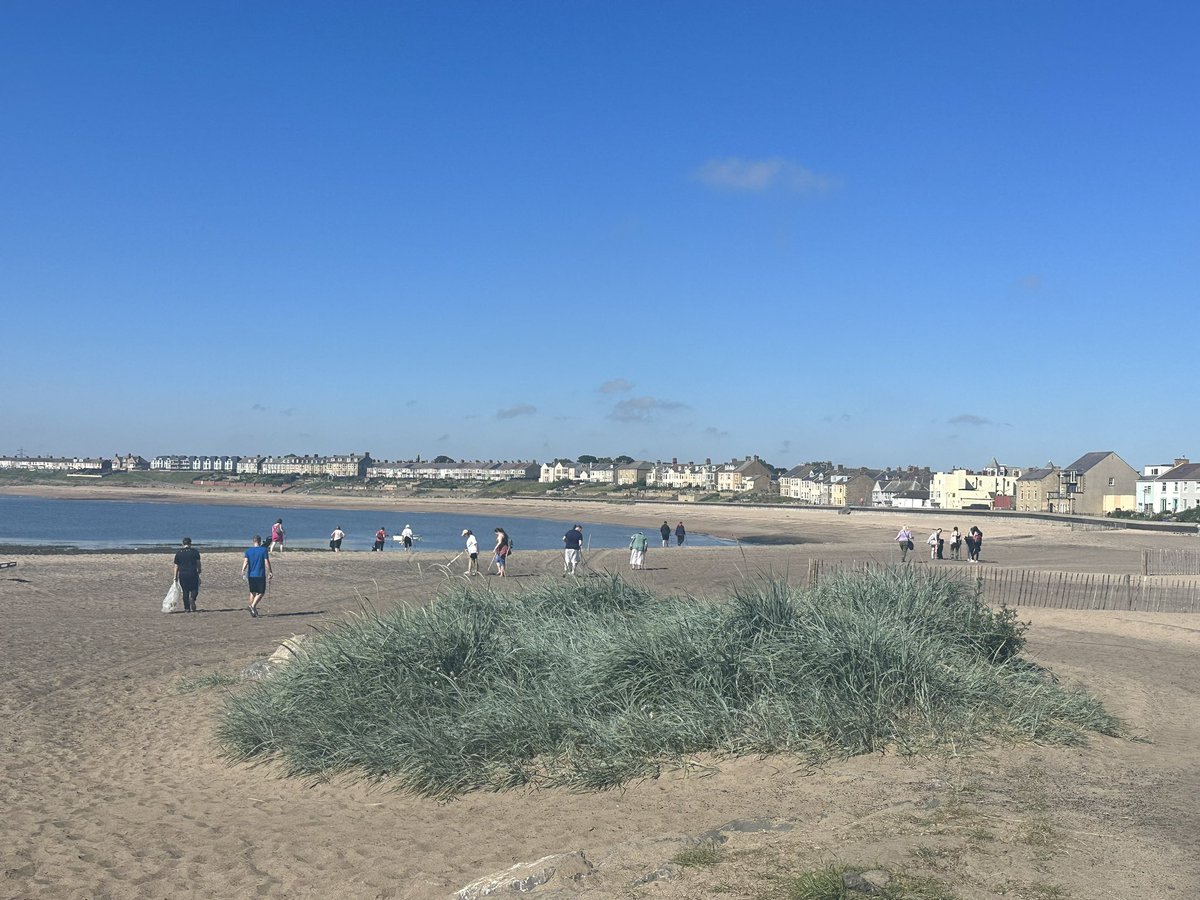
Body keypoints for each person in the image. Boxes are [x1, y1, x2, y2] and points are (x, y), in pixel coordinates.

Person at [240, 534, 272, 618]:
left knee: (252, 592)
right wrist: (270, 571)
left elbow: (245, 562)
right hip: (259, 574)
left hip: (251, 575)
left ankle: (252, 610)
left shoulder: (248, 551)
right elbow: (266, 561)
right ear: (260, 541)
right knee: (261, 592)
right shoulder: (263, 550)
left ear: (253, 541)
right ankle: (253, 606)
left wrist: (243, 570)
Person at [172, 537, 202, 613]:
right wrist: (199, 570)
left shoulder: (179, 553)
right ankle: (192, 598)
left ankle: (187, 608)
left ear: (183, 544)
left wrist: (175, 576)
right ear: (190, 543)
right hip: (193, 572)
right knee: (194, 588)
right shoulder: (195, 552)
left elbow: (176, 566)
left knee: (185, 591)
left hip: (183, 574)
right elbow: (198, 563)